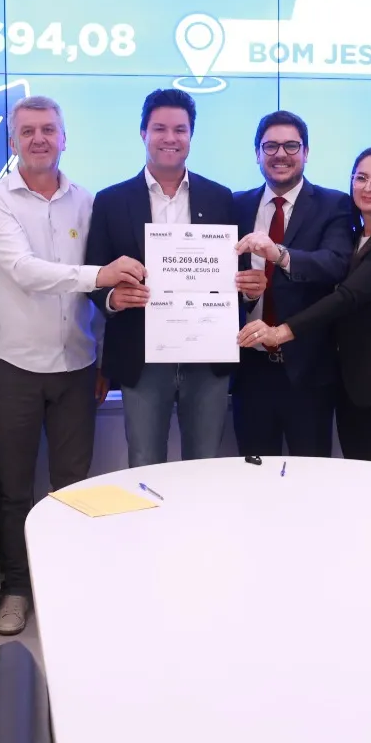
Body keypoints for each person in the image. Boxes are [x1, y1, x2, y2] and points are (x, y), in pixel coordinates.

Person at [0, 95, 144, 636]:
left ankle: (69, 583)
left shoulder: (87, 201)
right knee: (14, 490)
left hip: (77, 366)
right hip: (14, 367)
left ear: (64, 139)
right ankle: (17, 589)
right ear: (13, 141)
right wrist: (101, 275)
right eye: (28, 131)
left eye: (49, 129)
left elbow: (98, 293)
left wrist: (103, 350)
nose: (39, 139)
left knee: (73, 485)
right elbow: (25, 271)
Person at [86, 89, 251, 467]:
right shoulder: (111, 200)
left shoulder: (220, 197)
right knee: (144, 462)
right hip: (141, 356)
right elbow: (94, 272)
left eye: (180, 129)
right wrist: (112, 298)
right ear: (143, 132)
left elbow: (236, 273)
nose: (170, 138)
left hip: (207, 356)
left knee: (204, 463)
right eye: (160, 128)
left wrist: (248, 289)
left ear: (191, 135)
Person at [239, 147, 371, 464]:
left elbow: (347, 297)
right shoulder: (357, 237)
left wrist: (282, 332)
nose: (368, 187)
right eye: (361, 178)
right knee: (353, 475)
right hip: (351, 383)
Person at [231, 112, 354, 457]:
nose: (280, 154)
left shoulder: (334, 204)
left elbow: (335, 265)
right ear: (257, 153)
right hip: (250, 369)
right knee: (252, 473)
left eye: (291, 146)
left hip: (309, 371)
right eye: (270, 146)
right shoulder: (236, 205)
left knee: (311, 476)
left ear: (306, 152)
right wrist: (244, 294)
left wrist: (280, 255)